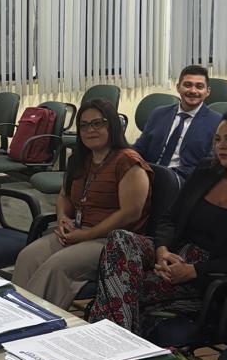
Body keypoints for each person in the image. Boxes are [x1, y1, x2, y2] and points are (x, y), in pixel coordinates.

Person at [86, 107, 227, 338]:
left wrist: (193, 271)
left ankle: (112, 341)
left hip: (211, 275)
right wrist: (162, 251)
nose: (221, 146)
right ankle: (119, 340)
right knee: (119, 238)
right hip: (175, 255)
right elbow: (170, 218)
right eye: (217, 139)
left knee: (117, 283)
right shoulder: (206, 171)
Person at [12, 98, 152, 308]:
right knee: (28, 257)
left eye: (97, 123)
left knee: (57, 265)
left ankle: (38, 320)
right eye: (84, 125)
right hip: (79, 232)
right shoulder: (80, 159)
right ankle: (13, 314)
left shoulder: (129, 162)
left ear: (112, 125)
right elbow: (64, 196)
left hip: (112, 241)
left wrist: (87, 235)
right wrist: (62, 218)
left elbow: (130, 213)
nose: (90, 130)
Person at [133, 65, 222, 183]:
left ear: (207, 91)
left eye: (199, 87)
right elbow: (140, 148)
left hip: (185, 180)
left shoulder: (217, 122)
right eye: (187, 85)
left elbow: (210, 164)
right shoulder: (159, 113)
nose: (193, 91)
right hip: (149, 173)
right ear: (178, 87)